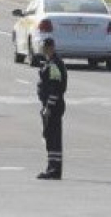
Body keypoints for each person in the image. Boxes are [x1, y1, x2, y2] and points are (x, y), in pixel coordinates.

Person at [36, 37, 68, 180]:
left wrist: (48, 106)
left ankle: (54, 170)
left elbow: (55, 88)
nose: (43, 50)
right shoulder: (50, 63)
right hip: (51, 106)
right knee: (50, 136)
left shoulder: (54, 65)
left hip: (53, 107)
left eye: (45, 48)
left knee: (53, 137)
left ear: (51, 48)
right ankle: (52, 167)